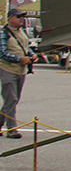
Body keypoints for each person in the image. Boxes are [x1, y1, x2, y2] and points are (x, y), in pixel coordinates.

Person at [1, 9, 41, 138]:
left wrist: (31, 55)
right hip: (8, 70)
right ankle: (12, 129)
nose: (21, 19)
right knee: (11, 99)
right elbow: (2, 53)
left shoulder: (21, 32)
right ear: (10, 18)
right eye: (18, 17)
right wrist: (19, 59)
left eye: (23, 17)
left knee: (13, 100)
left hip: (21, 70)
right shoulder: (4, 33)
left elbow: (26, 47)